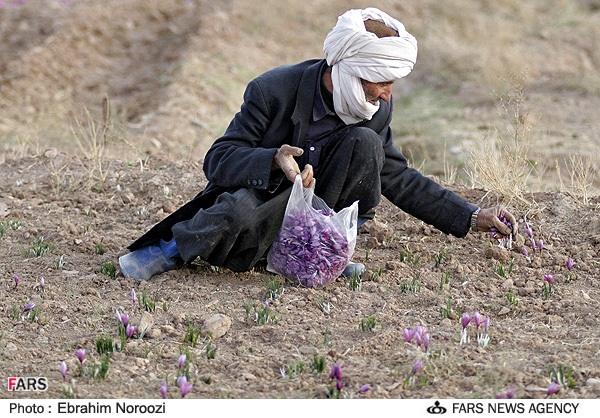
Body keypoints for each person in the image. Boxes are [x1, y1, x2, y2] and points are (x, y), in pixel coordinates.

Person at [119, 7, 517, 283]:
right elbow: (217, 161)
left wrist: (469, 216)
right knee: (239, 209)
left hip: (317, 214)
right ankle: (169, 251)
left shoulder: (373, 112)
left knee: (366, 145)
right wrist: (273, 160)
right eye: (382, 82)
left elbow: (395, 175)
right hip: (260, 200)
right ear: (353, 71)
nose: (387, 95)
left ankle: (323, 253)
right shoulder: (272, 90)